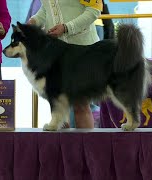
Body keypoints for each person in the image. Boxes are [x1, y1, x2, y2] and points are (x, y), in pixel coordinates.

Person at [28, 0, 103, 128]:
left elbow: (94, 11)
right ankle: (65, 148)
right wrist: (33, 22)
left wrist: (66, 27)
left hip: (82, 52)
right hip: (55, 53)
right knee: (58, 107)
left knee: (81, 105)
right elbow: (46, 9)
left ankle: (87, 146)